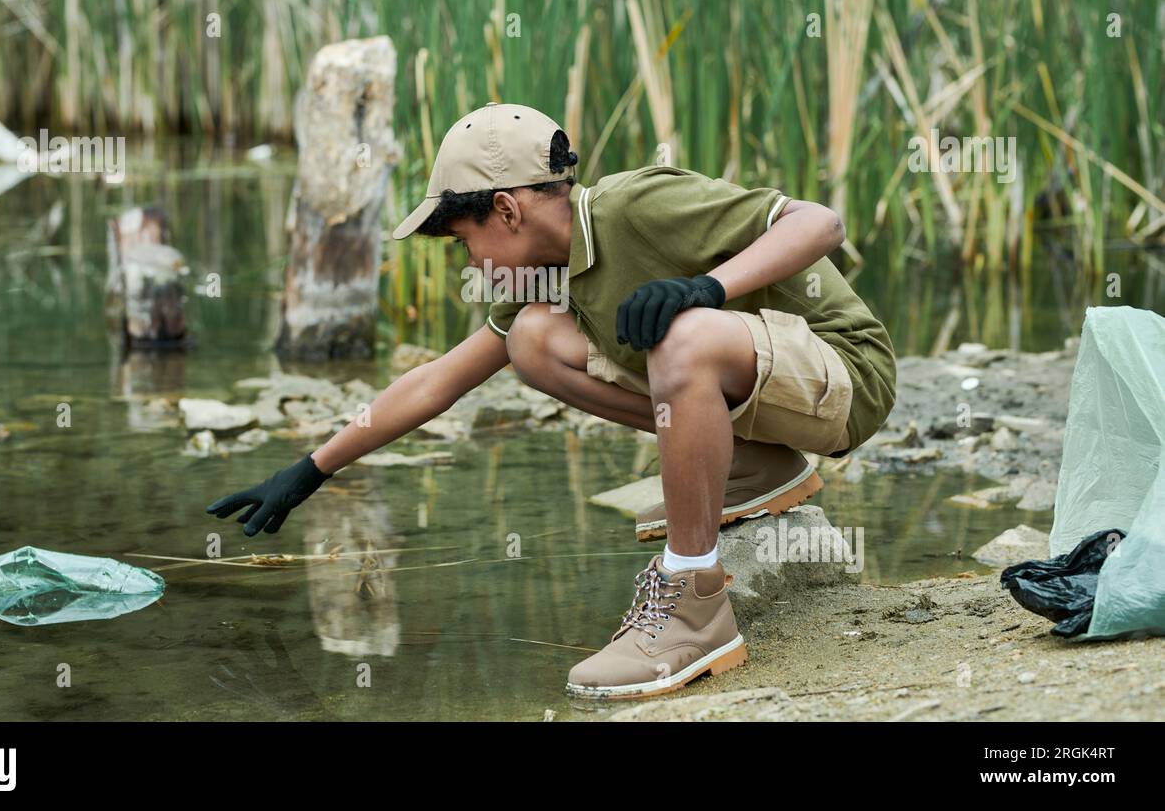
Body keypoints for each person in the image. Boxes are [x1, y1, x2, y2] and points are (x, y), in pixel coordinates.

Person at [206, 102, 897, 700]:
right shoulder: (545, 281)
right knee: (530, 341)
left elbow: (820, 223)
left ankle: (694, 603)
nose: (470, 264)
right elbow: (437, 380)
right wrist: (314, 468)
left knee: (681, 339)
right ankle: (754, 467)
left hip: (845, 376)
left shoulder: (634, 206)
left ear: (505, 210)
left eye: (464, 243)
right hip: (768, 394)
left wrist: (707, 289)